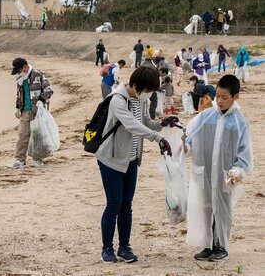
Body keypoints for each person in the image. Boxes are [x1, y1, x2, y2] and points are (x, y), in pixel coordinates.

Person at [96, 66, 178, 263]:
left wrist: (162, 123)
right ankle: (107, 248)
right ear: (138, 85)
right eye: (148, 89)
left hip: (132, 159)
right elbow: (131, 124)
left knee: (127, 204)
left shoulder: (142, 98)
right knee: (114, 203)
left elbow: (146, 122)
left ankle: (125, 247)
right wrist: (158, 138)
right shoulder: (117, 99)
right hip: (111, 158)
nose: (150, 94)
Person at [184, 74, 253, 262]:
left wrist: (239, 170)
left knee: (222, 210)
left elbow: (244, 152)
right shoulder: (206, 117)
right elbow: (190, 138)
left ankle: (221, 246)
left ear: (235, 97)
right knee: (205, 207)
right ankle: (208, 244)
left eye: (225, 98)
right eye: (218, 96)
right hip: (205, 172)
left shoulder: (239, 123)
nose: (220, 101)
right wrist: (183, 145)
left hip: (225, 175)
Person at [10, 57, 53, 169]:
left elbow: (48, 89)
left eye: (19, 70)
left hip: (37, 111)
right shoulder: (20, 79)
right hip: (25, 111)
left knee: (38, 136)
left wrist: (41, 100)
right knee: (22, 135)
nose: (18, 73)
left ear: (25, 67)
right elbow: (19, 94)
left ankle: (38, 159)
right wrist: (17, 107)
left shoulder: (38, 75)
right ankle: (20, 160)